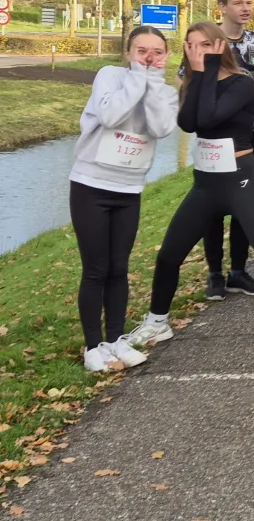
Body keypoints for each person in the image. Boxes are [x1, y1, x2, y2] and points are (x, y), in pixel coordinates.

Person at [128, 23, 254, 357]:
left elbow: (210, 117)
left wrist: (204, 70)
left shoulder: (240, 82)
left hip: (240, 179)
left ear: (220, 46)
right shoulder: (196, 81)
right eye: (191, 45)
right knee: (169, 255)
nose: (198, 51)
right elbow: (189, 123)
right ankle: (157, 320)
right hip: (206, 183)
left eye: (206, 45)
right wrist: (197, 77)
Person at [69, 25, 179, 372]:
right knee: (96, 269)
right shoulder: (110, 76)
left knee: (119, 269)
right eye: (141, 51)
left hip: (129, 190)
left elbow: (162, 128)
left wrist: (153, 85)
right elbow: (111, 115)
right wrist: (137, 78)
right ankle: (93, 347)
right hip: (91, 184)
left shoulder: (166, 90)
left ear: (166, 56)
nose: (149, 58)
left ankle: (115, 339)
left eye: (157, 52)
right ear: (128, 53)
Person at [187, 0, 254, 302]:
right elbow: (190, 80)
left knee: (244, 202)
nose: (246, 8)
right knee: (211, 206)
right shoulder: (207, 41)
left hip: (249, 134)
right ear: (222, 6)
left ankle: (238, 270)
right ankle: (215, 274)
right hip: (213, 136)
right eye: (238, 3)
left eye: (249, 2)